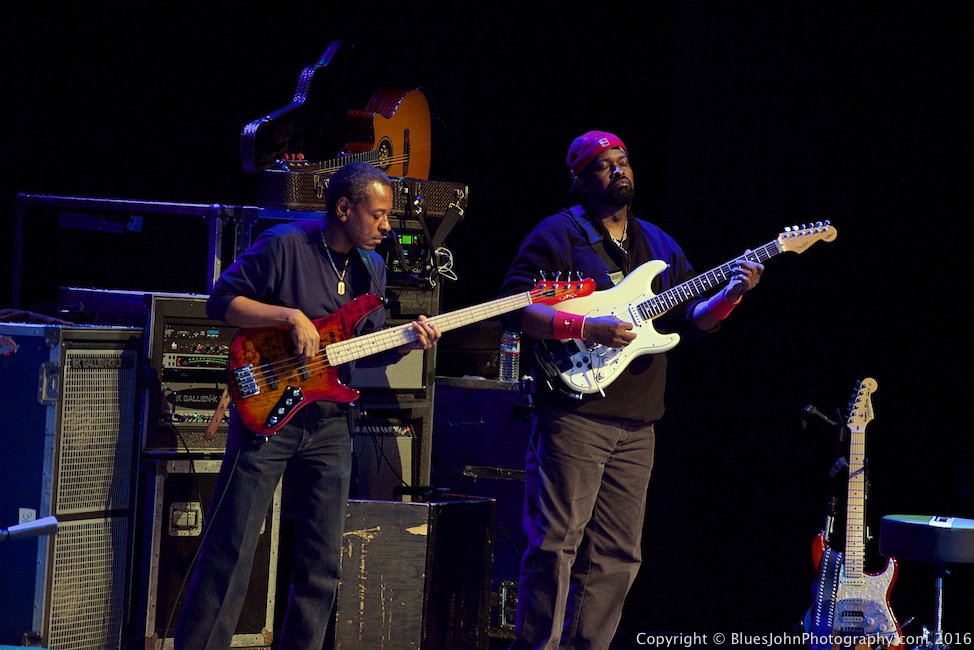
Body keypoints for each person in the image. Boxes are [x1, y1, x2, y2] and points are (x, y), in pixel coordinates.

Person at [498, 131, 764, 649]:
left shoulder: (659, 245)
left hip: (639, 421)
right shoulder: (558, 234)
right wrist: (584, 329)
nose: (618, 170)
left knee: (619, 555)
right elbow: (513, 307)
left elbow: (693, 322)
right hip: (575, 413)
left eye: (623, 161)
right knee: (556, 544)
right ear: (579, 178)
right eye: (603, 164)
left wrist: (730, 297)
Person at [174, 161, 440, 650]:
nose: (387, 226)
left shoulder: (372, 268)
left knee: (322, 564)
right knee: (230, 549)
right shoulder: (284, 244)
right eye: (378, 215)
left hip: (330, 421)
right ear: (344, 208)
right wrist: (288, 315)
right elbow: (220, 301)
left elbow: (366, 345)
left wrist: (407, 341)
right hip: (270, 414)